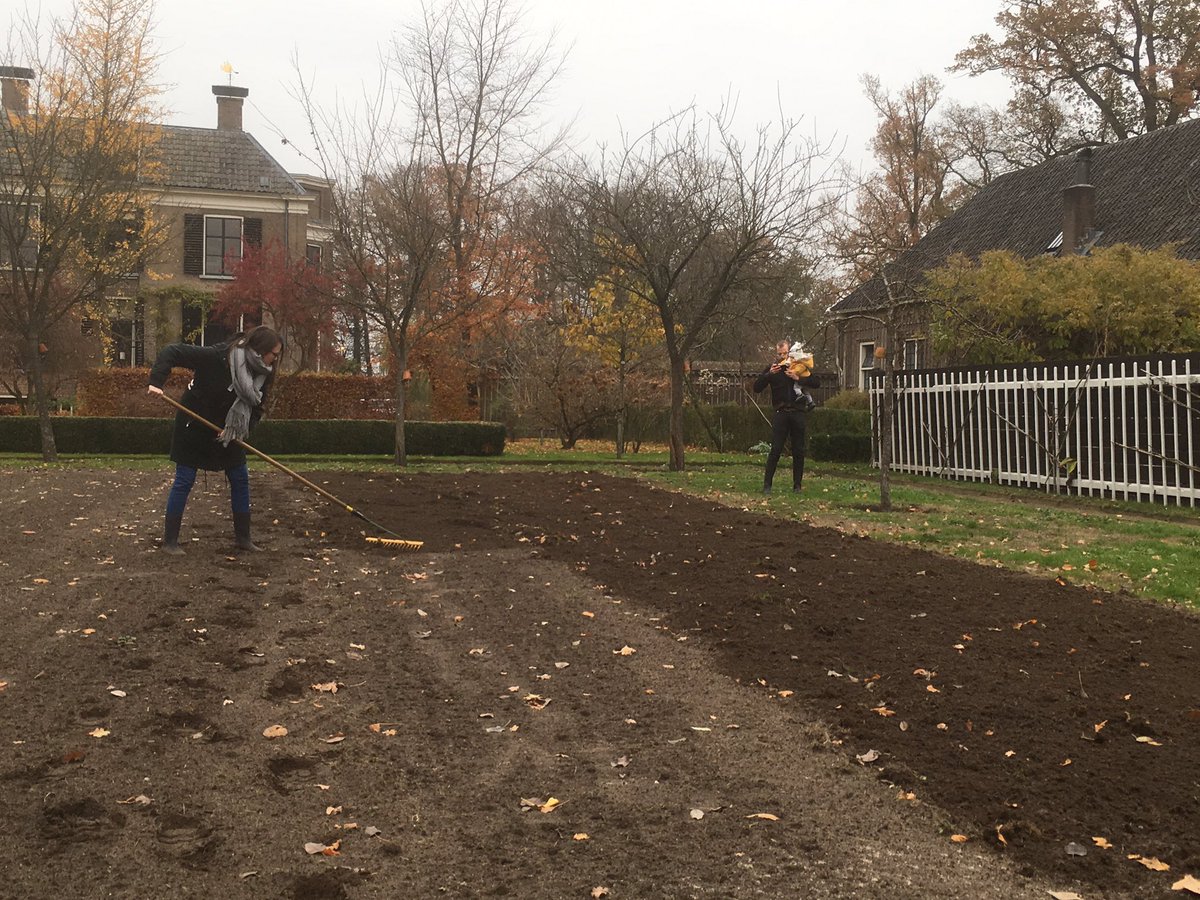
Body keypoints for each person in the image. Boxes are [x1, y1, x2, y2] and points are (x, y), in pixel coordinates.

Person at [147, 326, 283, 554]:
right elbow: (172, 351)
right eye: (274, 354)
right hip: (194, 425)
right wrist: (156, 382)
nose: (275, 359)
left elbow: (257, 408)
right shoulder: (218, 356)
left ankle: (243, 539)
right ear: (260, 350)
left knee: (240, 478)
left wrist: (240, 430)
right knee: (184, 479)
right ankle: (170, 542)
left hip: (230, 430)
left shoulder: (262, 374)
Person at [754, 339, 821, 494]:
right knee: (776, 449)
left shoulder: (798, 365)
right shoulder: (773, 369)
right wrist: (768, 375)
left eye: (785, 353)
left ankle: (797, 485)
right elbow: (757, 387)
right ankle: (767, 485)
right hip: (781, 412)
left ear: (789, 352)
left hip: (798, 412)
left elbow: (816, 382)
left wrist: (798, 378)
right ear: (776, 354)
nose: (783, 356)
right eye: (780, 354)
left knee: (798, 450)